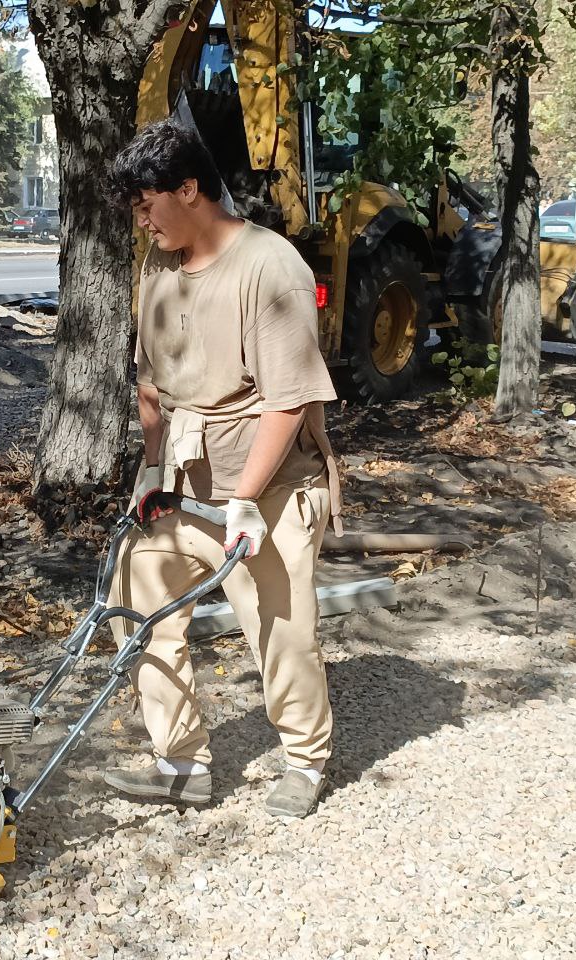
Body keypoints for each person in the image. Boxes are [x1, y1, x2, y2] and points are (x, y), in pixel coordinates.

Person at [103, 119, 344, 818]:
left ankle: (304, 760)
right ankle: (180, 761)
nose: (140, 219)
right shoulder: (158, 268)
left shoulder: (272, 270)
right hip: (184, 485)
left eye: (147, 203)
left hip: (266, 490)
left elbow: (288, 400)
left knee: (280, 627)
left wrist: (245, 500)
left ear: (190, 189)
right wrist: (152, 473)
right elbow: (151, 386)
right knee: (137, 599)